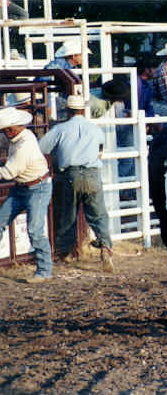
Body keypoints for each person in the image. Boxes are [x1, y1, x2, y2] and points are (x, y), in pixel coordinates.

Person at [38, 95, 114, 273]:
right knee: (98, 214)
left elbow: (42, 147)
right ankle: (106, 248)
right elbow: (100, 152)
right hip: (92, 173)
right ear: (83, 110)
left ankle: (66, 253)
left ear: (68, 110)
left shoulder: (60, 129)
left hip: (70, 174)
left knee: (68, 214)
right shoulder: (95, 130)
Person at [0, 107, 53, 283]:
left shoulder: (24, 145)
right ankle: (44, 269)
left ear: (10, 129)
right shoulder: (23, 137)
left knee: (34, 230)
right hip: (26, 185)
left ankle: (45, 270)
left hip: (36, 187)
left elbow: (8, 173)